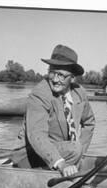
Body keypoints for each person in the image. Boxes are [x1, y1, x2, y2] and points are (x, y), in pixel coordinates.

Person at [12, 45, 95, 177]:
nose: (55, 79)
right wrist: (61, 163)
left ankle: (64, 171)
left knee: (76, 149)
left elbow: (89, 123)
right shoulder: (40, 94)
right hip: (29, 154)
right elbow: (37, 135)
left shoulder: (79, 93)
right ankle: (46, 176)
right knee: (74, 149)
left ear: (72, 78)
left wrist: (81, 154)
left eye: (61, 75)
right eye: (52, 72)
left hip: (64, 152)